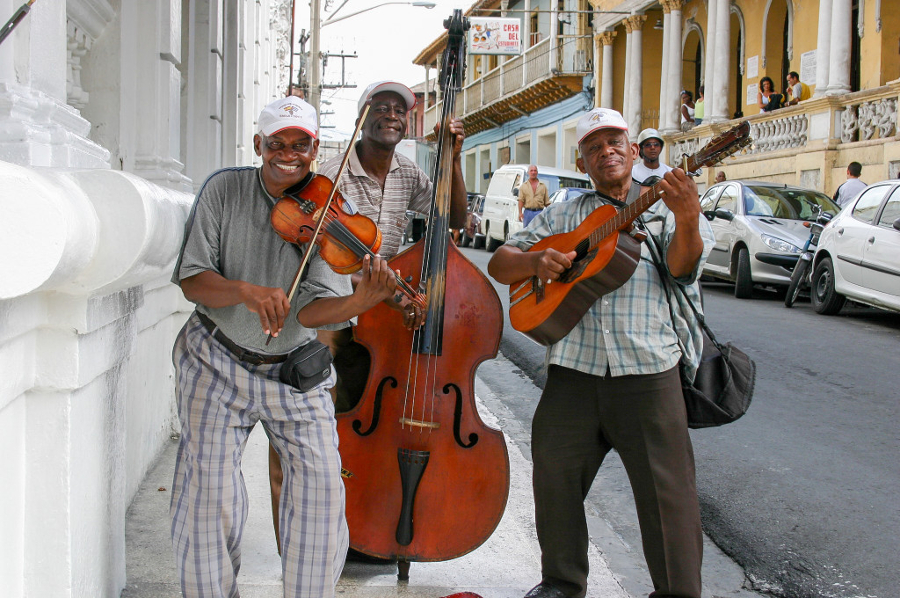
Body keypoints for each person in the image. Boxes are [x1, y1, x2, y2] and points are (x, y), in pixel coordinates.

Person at [169, 96, 400, 598]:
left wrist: (362, 298)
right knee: (210, 492)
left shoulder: (331, 213)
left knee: (320, 490)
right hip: (216, 356)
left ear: (315, 149)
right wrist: (246, 293)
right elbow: (192, 281)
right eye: (277, 143)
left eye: (301, 144)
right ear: (259, 145)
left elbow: (314, 312)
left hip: (296, 369)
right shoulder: (224, 190)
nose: (288, 153)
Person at [487, 107, 715, 598]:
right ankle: (562, 584)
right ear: (583, 161)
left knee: (667, 497)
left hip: (649, 370)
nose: (606, 151)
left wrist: (689, 216)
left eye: (615, 142)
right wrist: (535, 259)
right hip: (574, 369)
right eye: (594, 146)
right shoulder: (565, 212)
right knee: (555, 481)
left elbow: (683, 267)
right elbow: (502, 264)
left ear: (634, 151)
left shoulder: (668, 201)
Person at [268, 80, 467, 555]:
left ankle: (372, 526)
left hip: (389, 317)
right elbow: (313, 261)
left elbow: (453, 215)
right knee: (340, 423)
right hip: (339, 319)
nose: (392, 115)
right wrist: (368, 287)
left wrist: (452, 157)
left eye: (401, 109)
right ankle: (339, 533)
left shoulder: (408, 172)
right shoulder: (331, 176)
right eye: (382, 107)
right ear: (364, 116)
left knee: (383, 425)